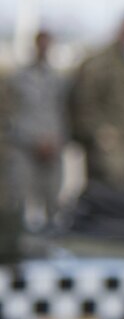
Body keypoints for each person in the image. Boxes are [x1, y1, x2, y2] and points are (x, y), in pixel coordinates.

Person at [68, 13, 124, 192]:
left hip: (123, 141)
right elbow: (83, 103)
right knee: (103, 196)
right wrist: (99, 133)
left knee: (118, 197)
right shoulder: (101, 63)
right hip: (105, 144)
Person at [8, 31, 68, 229]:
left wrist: (56, 140)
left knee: (53, 198)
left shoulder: (58, 80)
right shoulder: (18, 79)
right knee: (19, 198)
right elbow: (11, 114)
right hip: (25, 146)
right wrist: (32, 141)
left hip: (52, 146)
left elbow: (63, 113)